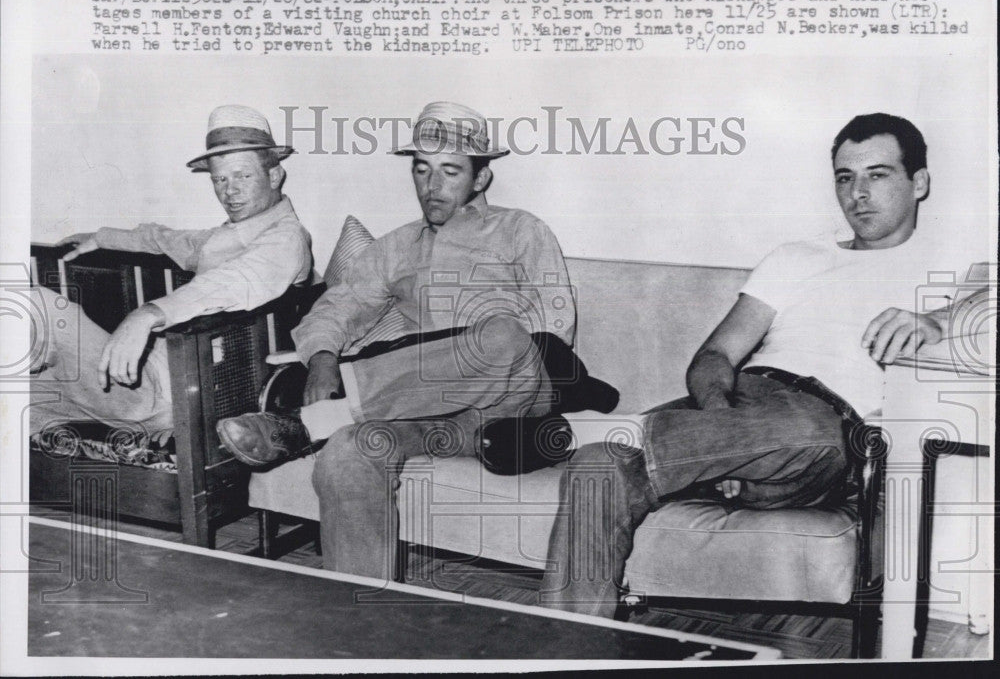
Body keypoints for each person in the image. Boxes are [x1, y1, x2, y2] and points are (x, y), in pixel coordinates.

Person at [539, 112, 989, 616]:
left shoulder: (956, 261)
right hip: (740, 409)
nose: (857, 193)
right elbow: (715, 356)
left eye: (877, 175)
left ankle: (633, 435)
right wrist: (717, 419)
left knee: (809, 433)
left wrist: (938, 318)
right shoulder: (796, 256)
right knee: (599, 468)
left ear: (919, 182)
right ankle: (570, 647)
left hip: (830, 432)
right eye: (845, 177)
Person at [217, 101, 583, 580]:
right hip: (422, 412)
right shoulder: (397, 246)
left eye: (450, 171)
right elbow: (337, 306)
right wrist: (324, 357)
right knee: (348, 452)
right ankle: (360, 619)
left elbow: (555, 333)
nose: (432, 186)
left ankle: (308, 422)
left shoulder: (521, 230)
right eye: (422, 170)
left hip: (509, 403)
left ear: (481, 179)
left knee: (503, 336)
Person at [30, 105, 314, 444]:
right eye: (220, 179)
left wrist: (148, 314)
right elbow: (165, 239)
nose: (229, 191)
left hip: (179, 393)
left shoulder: (286, 238)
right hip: (148, 381)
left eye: (243, 175)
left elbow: (234, 280)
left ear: (274, 176)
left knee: (41, 307)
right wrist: (100, 238)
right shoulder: (229, 235)